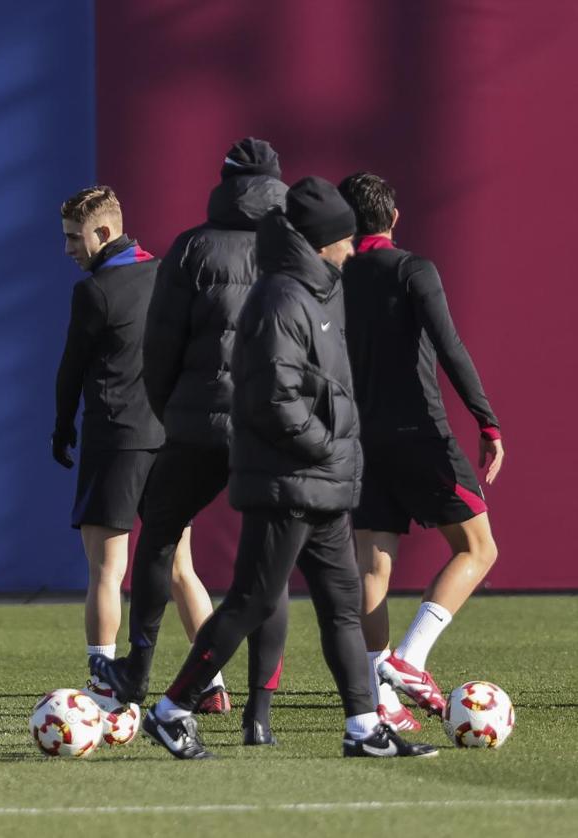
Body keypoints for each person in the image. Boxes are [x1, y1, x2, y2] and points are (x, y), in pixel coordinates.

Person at [140, 176, 437, 759]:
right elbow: (274, 397)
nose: (353, 249)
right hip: (288, 482)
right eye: (345, 240)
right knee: (251, 600)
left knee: (341, 608)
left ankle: (363, 728)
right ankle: (171, 710)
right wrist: (327, 445)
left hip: (320, 484)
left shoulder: (317, 291)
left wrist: (334, 455)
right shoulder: (281, 298)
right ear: (322, 242)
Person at [91, 139, 290, 743]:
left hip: (195, 424)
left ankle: (139, 668)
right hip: (268, 428)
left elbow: (160, 347)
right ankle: (259, 713)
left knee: (157, 540)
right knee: (266, 570)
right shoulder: (295, 246)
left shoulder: (194, 246)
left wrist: (169, 410)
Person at [338, 172, 502, 730]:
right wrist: (487, 421)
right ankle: (409, 660)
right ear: (394, 218)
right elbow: (450, 346)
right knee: (479, 548)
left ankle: (379, 699)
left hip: (359, 440)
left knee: (372, 569)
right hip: (419, 435)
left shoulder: (332, 276)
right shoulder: (412, 268)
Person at [52, 186, 164, 671]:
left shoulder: (93, 291)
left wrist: (61, 427)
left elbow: (70, 369)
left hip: (114, 436)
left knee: (106, 569)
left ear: (103, 232)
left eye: (75, 238)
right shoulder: (165, 275)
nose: (68, 248)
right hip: (166, 439)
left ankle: (101, 679)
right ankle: (210, 680)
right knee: (180, 569)